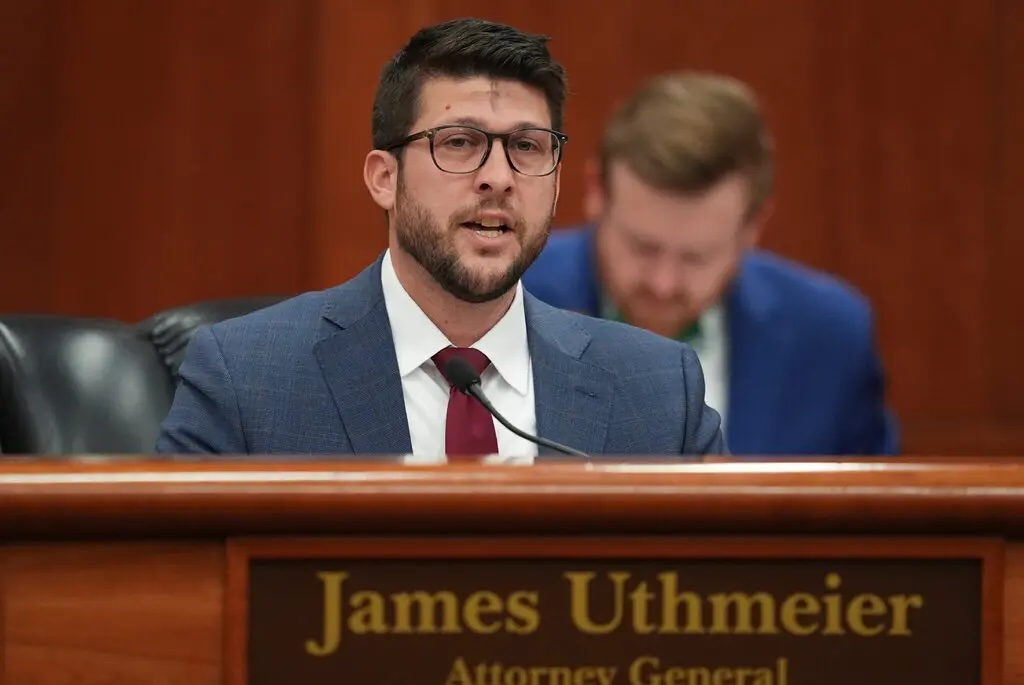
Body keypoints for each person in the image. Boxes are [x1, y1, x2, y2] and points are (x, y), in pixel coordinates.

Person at [156, 18, 724, 460]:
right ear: (385, 178)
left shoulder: (657, 390)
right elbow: (175, 573)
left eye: (527, 147)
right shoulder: (246, 378)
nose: (499, 177)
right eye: (459, 142)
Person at [523, 72, 898, 456]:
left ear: (753, 227)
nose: (663, 283)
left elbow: (876, 494)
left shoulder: (829, 336)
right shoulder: (509, 301)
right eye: (642, 247)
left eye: (697, 257)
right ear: (595, 193)